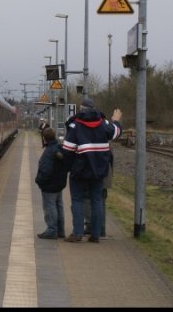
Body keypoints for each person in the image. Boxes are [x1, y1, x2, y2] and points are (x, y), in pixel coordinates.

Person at [62, 97, 122, 243]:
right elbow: (117, 132)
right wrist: (116, 120)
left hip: (79, 171)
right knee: (97, 200)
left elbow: (68, 150)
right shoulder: (104, 124)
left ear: (81, 110)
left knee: (77, 200)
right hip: (99, 171)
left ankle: (77, 233)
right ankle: (95, 235)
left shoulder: (75, 126)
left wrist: (68, 168)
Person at [35, 126, 67, 239]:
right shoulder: (59, 147)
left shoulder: (49, 151)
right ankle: (61, 230)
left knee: (50, 207)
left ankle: (52, 230)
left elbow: (46, 170)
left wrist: (39, 181)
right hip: (59, 184)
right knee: (59, 206)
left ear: (44, 138)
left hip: (50, 185)